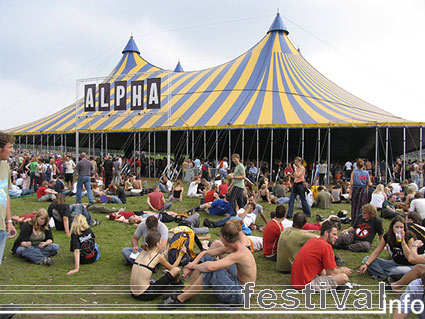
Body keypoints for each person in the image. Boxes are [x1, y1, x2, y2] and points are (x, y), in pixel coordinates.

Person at [158, 222, 257, 309]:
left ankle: (179, 300)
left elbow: (210, 267)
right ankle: (184, 291)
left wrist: (193, 266)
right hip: (237, 282)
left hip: (241, 295)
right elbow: (205, 253)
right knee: (208, 260)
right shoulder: (235, 246)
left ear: (225, 238)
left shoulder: (239, 254)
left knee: (212, 270)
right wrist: (190, 265)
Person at [291, 221, 351, 291]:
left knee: (330, 273)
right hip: (306, 285)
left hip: (296, 282)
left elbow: (323, 270)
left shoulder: (313, 240)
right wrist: (343, 271)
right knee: (343, 277)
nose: (336, 237)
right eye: (334, 234)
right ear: (326, 233)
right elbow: (331, 273)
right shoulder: (326, 246)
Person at [130, 231, 183, 301]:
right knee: (176, 270)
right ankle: (176, 282)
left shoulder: (143, 251)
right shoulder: (157, 256)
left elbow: (156, 257)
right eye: (161, 240)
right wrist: (181, 254)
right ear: (157, 244)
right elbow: (173, 267)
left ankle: (176, 283)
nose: (162, 242)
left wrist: (165, 252)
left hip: (132, 292)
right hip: (144, 294)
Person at [359, 216, 414, 281]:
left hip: (408, 266)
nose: (399, 229)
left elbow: (410, 258)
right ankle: (386, 276)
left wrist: (403, 242)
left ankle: (382, 274)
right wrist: (366, 264)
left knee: (397, 271)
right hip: (394, 263)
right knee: (367, 259)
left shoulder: (409, 237)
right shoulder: (388, 236)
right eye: (396, 227)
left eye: (401, 227)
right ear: (392, 227)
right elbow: (377, 251)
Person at [0, 131, 17, 265]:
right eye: (10, 147)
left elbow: (5, 195)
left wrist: (9, 221)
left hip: (1, 227)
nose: (12, 150)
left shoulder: (5, 166)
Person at [349, 159, 372, 225]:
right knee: (362, 206)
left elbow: (351, 183)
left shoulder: (354, 172)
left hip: (356, 189)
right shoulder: (366, 173)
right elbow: (369, 183)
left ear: (356, 165)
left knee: (354, 206)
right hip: (363, 190)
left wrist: (350, 193)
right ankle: (362, 219)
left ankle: (354, 220)